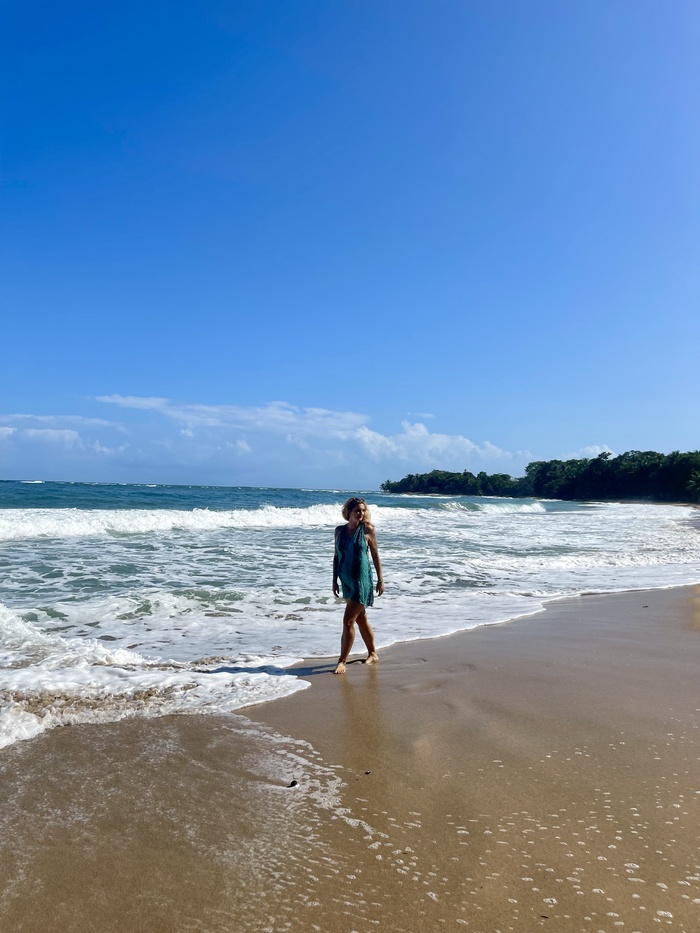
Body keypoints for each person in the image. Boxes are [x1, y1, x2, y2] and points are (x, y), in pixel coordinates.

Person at [332, 496, 384, 674]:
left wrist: (381, 580)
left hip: (362, 581)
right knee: (361, 619)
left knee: (348, 621)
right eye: (357, 510)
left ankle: (342, 661)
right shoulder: (339, 531)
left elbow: (376, 555)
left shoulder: (368, 529)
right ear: (349, 512)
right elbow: (336, 557)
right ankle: (373, 653)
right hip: (346, 580)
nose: (361, 513)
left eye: (363, 510)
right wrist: (334, 580)